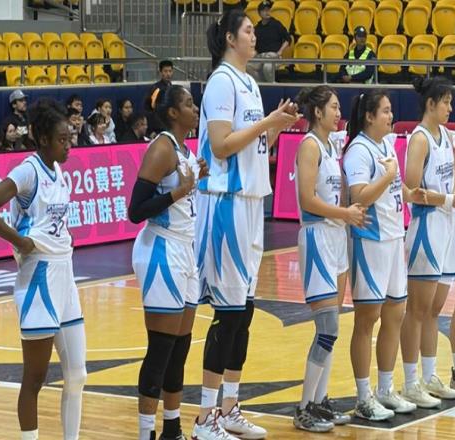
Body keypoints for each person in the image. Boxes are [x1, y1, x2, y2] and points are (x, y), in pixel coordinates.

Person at [192, 9, 300, 439]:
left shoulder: (250, 83)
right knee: (229, 313)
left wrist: (276, 128)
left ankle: (230, 408)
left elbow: (252, 146)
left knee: (245, 311)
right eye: (249, 31)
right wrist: (267, 122)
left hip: (252, 201)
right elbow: (220, 146)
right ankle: (205, 418)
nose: (256, 36)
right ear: (230, 39)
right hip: (225, 202)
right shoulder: (221, 81)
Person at [0, 98, 86, 440]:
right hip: (39, 278)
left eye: (70, 138)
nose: (69, 145)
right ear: (43, 139)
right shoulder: (28, 171)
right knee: (35, 378)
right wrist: (20, 242)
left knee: (78, 374)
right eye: (62, 140)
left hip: (65, 274)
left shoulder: (59, 171)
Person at [128, 85, 209, 440]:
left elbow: (183, 195)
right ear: (173, 112)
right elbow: (136, 210)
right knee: (161, 350)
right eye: (189, 104)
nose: (196, 109)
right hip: (161, 250)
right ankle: (146, 433)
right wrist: (179, 191)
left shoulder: (185, 150)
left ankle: (172, 429)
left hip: (185, 250)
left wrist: (195, 179)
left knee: (179, 348)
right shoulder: (162, 147)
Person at [343, 90, 427, 421]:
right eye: (386, 111)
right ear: (369, 116)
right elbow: (359, 196)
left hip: (394, 238)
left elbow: (393, 188)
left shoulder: (386, 145)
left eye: (391, 111)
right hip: (370, 241)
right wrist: (390, 176)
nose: (391, 116)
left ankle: (385, 389)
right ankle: (363, 396)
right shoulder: (358, 150)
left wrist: (410, 193)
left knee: (395, 314)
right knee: (367, 320)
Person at [293, 86, 366, 432]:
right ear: (318, 112)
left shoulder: (330, 146)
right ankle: (303, 408)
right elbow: (307, 200)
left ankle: (319, 401)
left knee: (332, 327)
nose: (339, 113)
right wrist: (345, 213)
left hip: (335, 236)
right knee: (328, 327)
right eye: (334, 107)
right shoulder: (309, 146)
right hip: (317, 236)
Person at [400, 76, 455, 408]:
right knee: (417, 310)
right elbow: (410, 190)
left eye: (451, 102)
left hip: (446, 227)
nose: (450, 108)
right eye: (446, 102)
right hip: (426, 226)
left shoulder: (447, 136)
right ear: (430, 104)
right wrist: (449, 200)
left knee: (434, 310)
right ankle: (410, 383)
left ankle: (430, 376)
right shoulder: (420, 139)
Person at [247, 1, 291, 82]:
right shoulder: (257, 28)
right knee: (248, 66)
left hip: (273, 56)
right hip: (261, 56)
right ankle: (262, 84)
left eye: (268, 10)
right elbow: (255, 46)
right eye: (264, 10)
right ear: (259, 13)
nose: (267, 12)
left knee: (267, 67)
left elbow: (288, 39)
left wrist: (280, 52)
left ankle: (272, 86)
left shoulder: (276, 24)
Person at [144, 60, 174, 137]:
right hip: (158, 129)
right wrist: (151, 131)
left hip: (170, 127)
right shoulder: (155, 89)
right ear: (160, 72)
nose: (168, 74)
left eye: (170, 71)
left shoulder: (173, 88)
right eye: (165, 71)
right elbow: (148, 110)